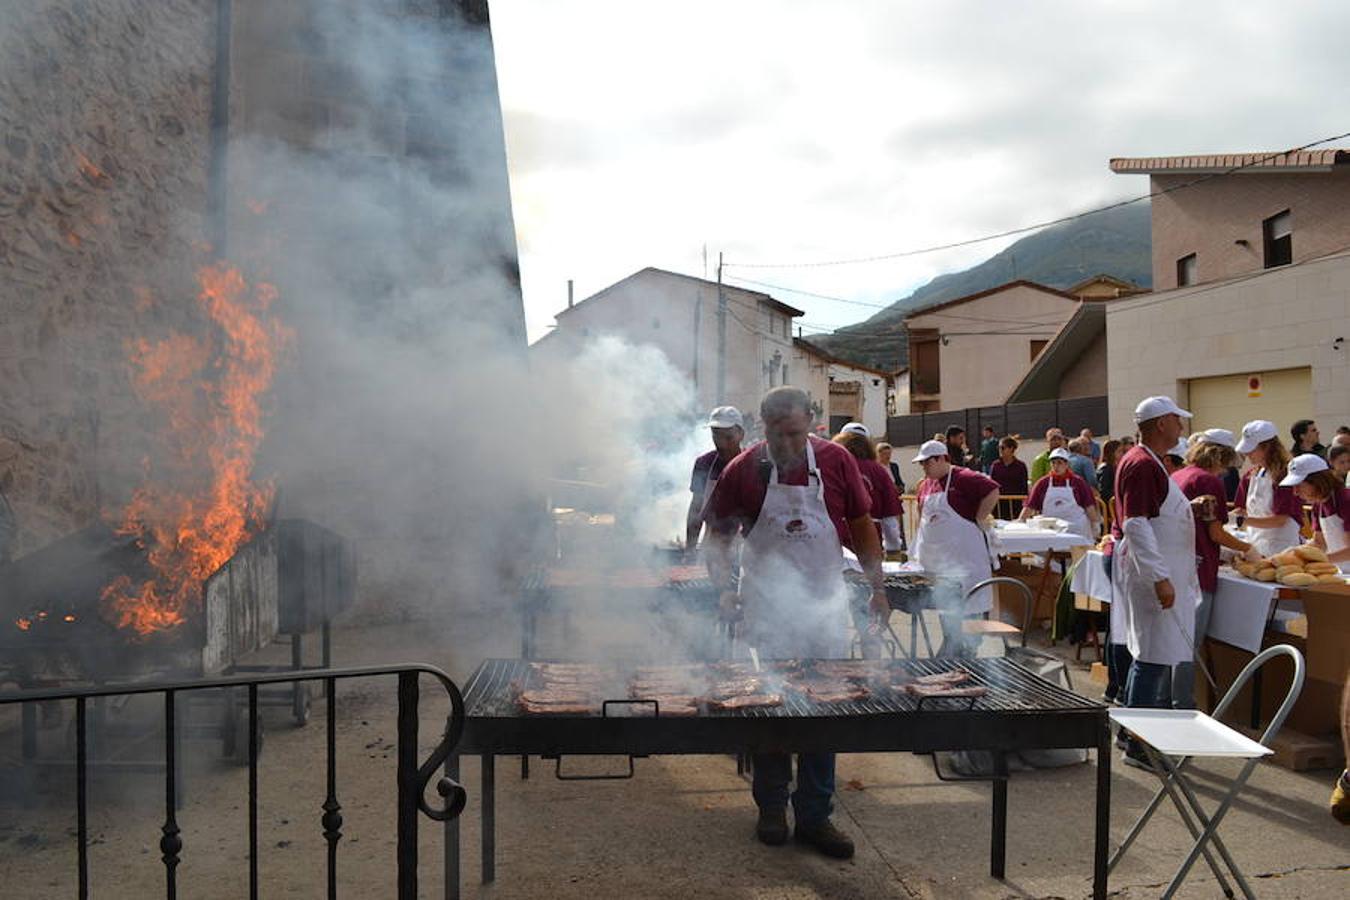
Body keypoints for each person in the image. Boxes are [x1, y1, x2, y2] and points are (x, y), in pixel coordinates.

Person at [704, 386, 885, 859]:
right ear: (762, 427)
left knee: (825, 710)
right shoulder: (741, 469)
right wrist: (724, 588)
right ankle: (770, 806)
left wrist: (878, 587)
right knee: (772, 708)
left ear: (811, 424)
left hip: (825, 604)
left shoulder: (837, 461)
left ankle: (816, 815)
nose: (787, 444)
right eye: (778, 435)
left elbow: (863, 524)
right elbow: (716, 538)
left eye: (796, 434)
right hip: (767, 607)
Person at [1112, 396, 1202, 765]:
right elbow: (1136, 523)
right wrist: (1161, 577)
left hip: (1154, 572)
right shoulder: (1143, 463)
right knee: (1153, 658)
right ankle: (1140, 745)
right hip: (1154, 576)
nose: (1181, 427)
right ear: (1161, 423)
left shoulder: (1146, 462)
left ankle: (1129, 731)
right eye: (1177, 420)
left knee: (1148, 654)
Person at [1171, 429, 1258, 709]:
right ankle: (1182, 704)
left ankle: (1169, 702)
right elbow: (1216, 533)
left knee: (1174, 641)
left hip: (1180, 564)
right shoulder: (1208, 481)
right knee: (1188, 645)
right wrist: (1246, 549)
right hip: (1198, 570)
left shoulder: (1180, 475)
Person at [911, 439, 1000, 657]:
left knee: (969, 615)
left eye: (927, 463)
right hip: (941, 566)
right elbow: (922, 515)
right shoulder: (925, 485)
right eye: (922, 464)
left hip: (966, 563)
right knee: (948, 612)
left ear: (942, 458)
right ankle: (952, 648)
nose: (924, 467)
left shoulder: (964, 477)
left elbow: (993, 490)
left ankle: (969, 655)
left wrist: (980, 516)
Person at [1233, 420, 1303, 558]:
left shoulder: (1285, 475)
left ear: (1268, 447)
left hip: (1282, 546)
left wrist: (1243, 521)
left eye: (1252, 449)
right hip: (1256, 542)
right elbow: (1240, 508)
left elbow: (1280, 520)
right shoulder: (1251, 475)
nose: (1247, 454)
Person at [685, 406, 745, 555]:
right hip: (712, 548)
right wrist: (690, 549)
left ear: (741, 434)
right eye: (716, 436)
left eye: (728, 437)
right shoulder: (704, 463)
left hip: (747, 549)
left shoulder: (754, 463)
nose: (721, 443)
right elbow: (696, 509)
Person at [832, 430, 903, 557]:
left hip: (836, 543)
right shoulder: (878, 470)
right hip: (870, 543)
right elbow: (890, 518)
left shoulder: (833, 467)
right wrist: (893, 550)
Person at [1280, 454, 1350, 572]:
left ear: (1318, 481)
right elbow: (1319, 542)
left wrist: (1319, 560)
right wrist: (1294, 554)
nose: (1295, 492)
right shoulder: (1319, 504)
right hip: (1342, 571)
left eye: (1299, 485)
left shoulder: (1346, 500)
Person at [1020, 447, 1099, 540]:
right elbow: (1030, 505)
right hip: (1050, 530)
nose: (1056, 466)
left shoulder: (1078, 482)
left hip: (1076, 529)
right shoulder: (1043, 483)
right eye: (1053, 463)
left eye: (1059, 463)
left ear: (1067, 464)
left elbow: (1088, 505)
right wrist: (1021, 521)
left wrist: (1095, 523)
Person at [875, 442, 907, 549]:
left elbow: (899, 481)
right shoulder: (876, 467)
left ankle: (900, 551)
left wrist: (900, 487)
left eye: (889, 454)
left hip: (895, 501)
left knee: (898, 531)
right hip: (882, 505)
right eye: (885, 454)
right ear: (878, 454)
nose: (888, 456)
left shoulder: (893, 466)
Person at [989, 436, 1028, 518]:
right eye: (999, 447)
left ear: (1011, 449)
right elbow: (991, 484)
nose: (1000, 450)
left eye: (1002, 447)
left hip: (1016, 504)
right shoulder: (995, 465)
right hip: (999, 504)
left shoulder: (1021, 466)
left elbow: (1024, 487)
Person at [1097, 439, 1122, 506]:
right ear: (1111, 453)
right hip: (1111, 505)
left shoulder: (1116, 466)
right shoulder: (1106, 468)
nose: (1122, 454)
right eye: (1119, 451)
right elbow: (1104, 491)